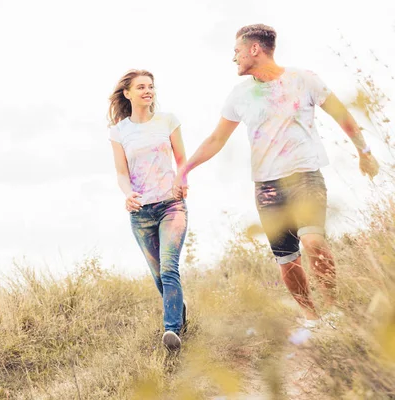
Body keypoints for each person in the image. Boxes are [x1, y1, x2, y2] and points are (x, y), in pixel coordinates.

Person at [174, 24, 379, 325]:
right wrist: (185, 169)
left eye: (237, 51)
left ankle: (336, 312)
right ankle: (312, 318)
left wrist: (365, 152)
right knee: (287, 259)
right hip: (267, 187)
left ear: (254, 49)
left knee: (313, 242)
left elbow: (341, 115)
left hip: (305, 176)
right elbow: (217, 139)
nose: (234, 58)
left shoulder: (303, 79)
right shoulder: (240, 94)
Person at [108, 69, 189, 350]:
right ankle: (180, 315)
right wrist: (128, 195)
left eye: (151, 86)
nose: (147, 91)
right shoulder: (119, 132)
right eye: (141, 87)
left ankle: (171, 331)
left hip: (171, 205)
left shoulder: (168, 121)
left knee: (169, 268)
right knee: (158, 276)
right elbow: (121, 173)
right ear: (127, 93)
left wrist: (183, 179)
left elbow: (182, 159)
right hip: (141, 213)